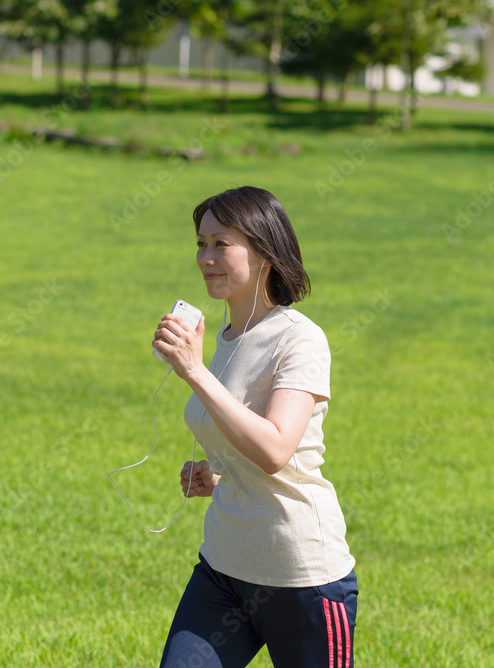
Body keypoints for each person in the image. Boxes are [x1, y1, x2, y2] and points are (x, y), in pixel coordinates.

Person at [152, 186, 357, 668]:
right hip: (224, 569)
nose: (206, 257)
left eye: (221, 244)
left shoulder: (300, 339)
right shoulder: (223, 338)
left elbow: (276, 448)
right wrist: (219, 473)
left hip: (301, 576)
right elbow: (244, 441)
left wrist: (194, 371)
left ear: (265, 250)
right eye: (200, 244)